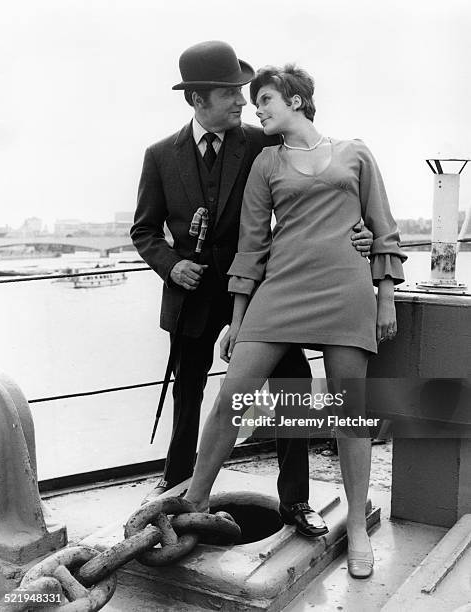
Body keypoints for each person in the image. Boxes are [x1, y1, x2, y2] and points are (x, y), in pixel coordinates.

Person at [131, 42, 373, 538]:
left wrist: (357, 231)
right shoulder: (159, 156)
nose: (242, 102)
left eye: (246, 93)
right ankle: (179, 487)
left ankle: (295, 502)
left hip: (266, 293)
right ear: (198, 100)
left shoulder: (264, 142)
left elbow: (314, 186)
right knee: (191, 393)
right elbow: (145, 230)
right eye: (230, 94)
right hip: (192, 294)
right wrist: (172, 266)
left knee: (293, 391)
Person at [183, 63, 407, 578]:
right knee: (232, 398)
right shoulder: (265, 163)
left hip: (346, 293)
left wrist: (386, 296)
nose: (257, 108)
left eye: (265, 99)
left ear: (298, 101)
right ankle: (195, 500)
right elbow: (253, 242)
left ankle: (354, 527)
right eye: (255, 101)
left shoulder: (356, 153)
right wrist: (239, 318)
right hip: (281, 291)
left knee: (350, 414)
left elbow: (383, 228)